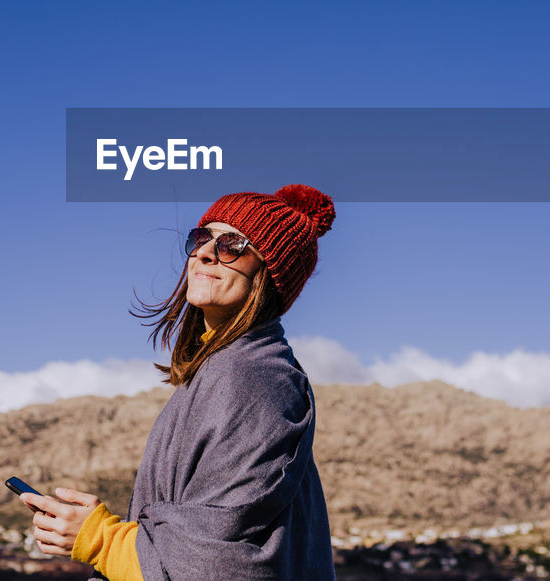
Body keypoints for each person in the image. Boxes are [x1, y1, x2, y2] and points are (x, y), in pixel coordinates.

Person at [18, 184, 337, 580]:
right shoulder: (220, 370)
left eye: (232, 244)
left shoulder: (256, 379)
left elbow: (218, 556)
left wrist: (101, 539)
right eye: (201, 238)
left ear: (270, 273)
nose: (203, 252)